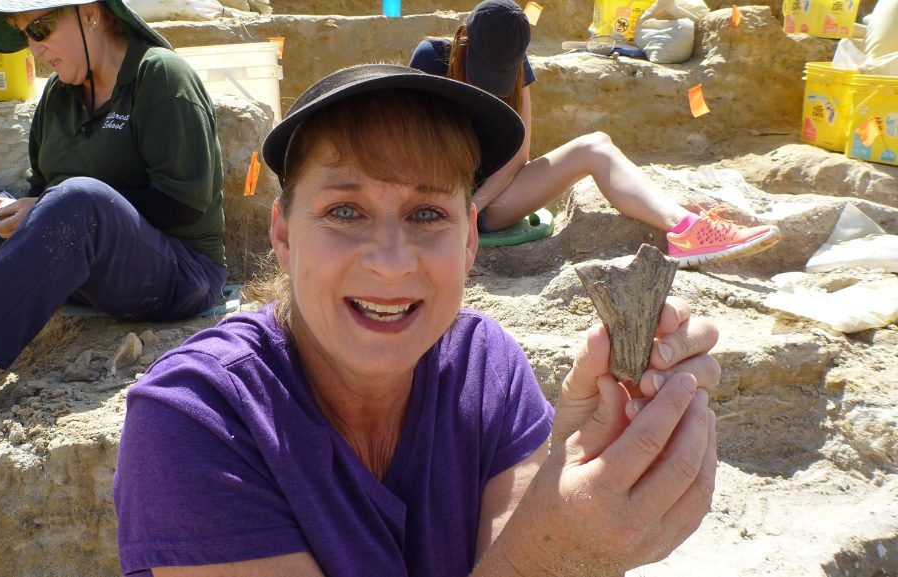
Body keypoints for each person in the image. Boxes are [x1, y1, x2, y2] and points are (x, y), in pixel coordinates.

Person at [113, 63, 720, 577]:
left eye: (427, 213)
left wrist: (582, 457)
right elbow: (537, 556)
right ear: (283, 235)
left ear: (469, 245)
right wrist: (559, 555)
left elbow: (517, 543)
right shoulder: (195, 416)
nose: (390, 262)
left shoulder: (486, 371)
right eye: (344, 210)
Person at [0, 0, 227, 427]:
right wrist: (7, 213)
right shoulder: (60, 94)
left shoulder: (161, 76)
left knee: (78, 199)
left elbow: (184, 206)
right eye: (25, 35)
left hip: (176, 272)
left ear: (92, 12)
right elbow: (44, 189)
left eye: (40, 28)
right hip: (79, 261)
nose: (34, 48)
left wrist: (52, 207)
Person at [409, 0, 781, 268]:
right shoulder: (430, 58)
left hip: (490, 201)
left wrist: (474, 206)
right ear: (463, 36)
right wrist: (450, 205)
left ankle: (685, 228)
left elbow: (518, 151)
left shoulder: (515, 59)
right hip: (441, 192)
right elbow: (415, 147)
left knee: (596, 145)